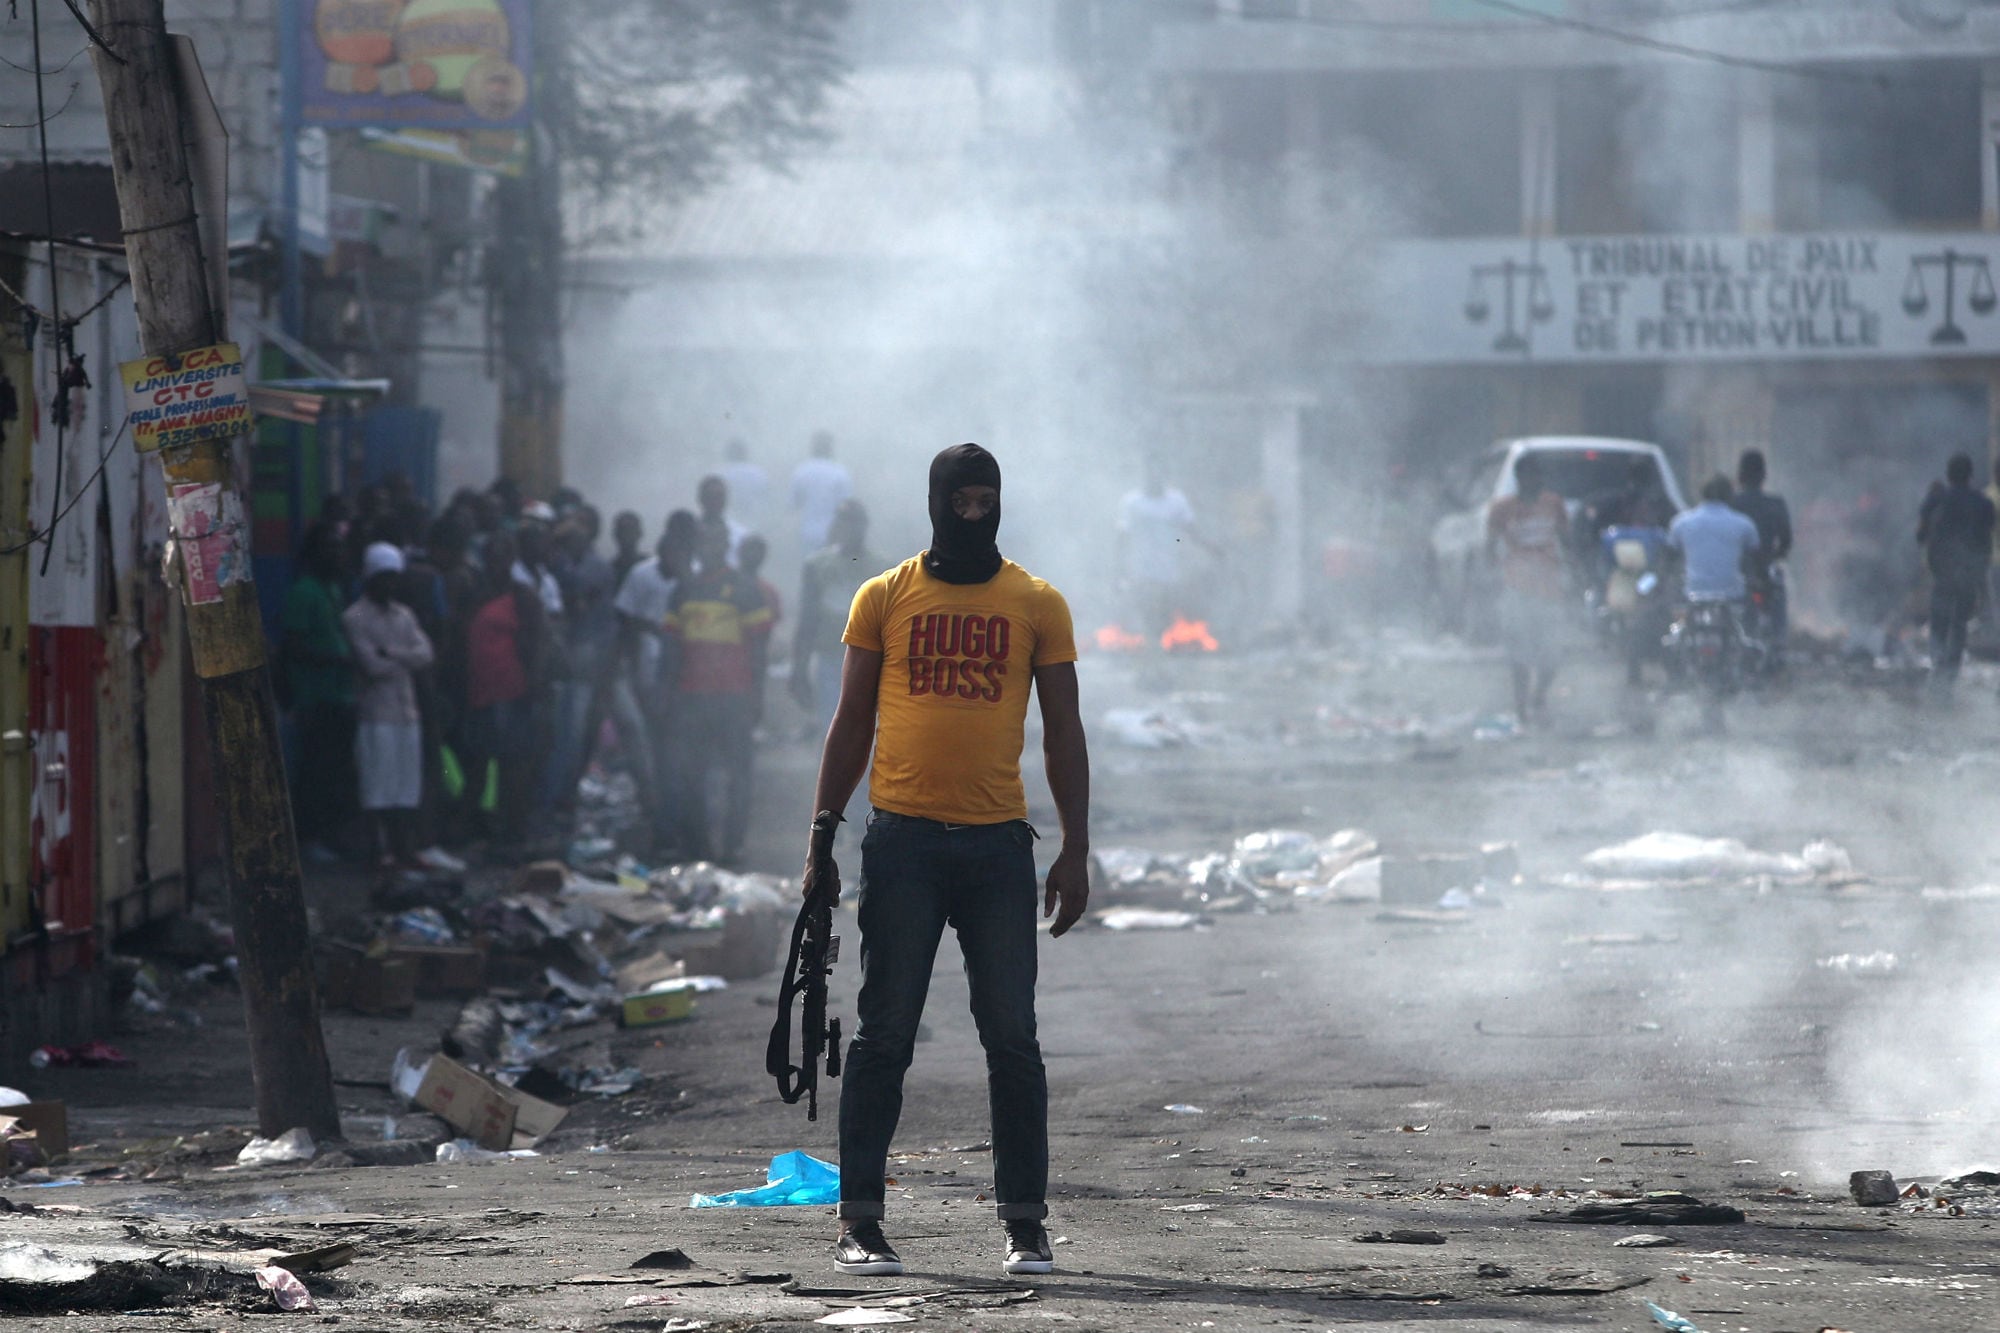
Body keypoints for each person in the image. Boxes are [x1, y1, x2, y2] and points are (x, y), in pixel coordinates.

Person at [804, 442, 1090, 1279]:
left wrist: (1075, 846)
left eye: (985, 503)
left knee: (1012, 1037)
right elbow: (851, 721)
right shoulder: (884, 596)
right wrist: (821, 834)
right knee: (884, 1033)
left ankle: (1025, 1226)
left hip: (999, 845)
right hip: (903, 844)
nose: (974, 517)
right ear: (935, 504)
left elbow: (1063, 730)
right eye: (960, 503)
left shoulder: (1036, 601)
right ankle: (860, 1222)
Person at [662, 523, 774, 863]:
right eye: (704, 540)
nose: (709, 547)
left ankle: (732, 846)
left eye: (716, 541)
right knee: (692, 773)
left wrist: (756, 695)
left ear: (726, 545)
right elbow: (672, 648)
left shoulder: (745, 589)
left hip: (734, 696)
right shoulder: (683, 589)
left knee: (737, 774)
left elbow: (758, 647)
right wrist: (667, 693)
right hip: (692, 697)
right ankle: (699, 846)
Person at [343, 543, 437, 869]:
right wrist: (404, 658)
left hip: (406, 712)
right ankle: (378, 851)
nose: (390, 585)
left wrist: (391, 653)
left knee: (405, 786)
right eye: (384, 578)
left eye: (394, 578)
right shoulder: (354, 617)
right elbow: (371, 666)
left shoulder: (404, 615)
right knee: (377, 786)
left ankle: (403, 849)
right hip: (376, 714)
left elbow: (426, 654)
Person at [615, 512, 700, 854]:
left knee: (678, 756)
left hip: (684, 682)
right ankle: (663, 823)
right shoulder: (642, 576)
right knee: (659, 754)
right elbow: (626, 625)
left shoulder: (692, 583)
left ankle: (675, 825)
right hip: (650, 677)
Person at [460, 530, 547, 848]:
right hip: (480, 691)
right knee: (479, 765)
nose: (496, 562)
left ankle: (513, 833)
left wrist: (533, 685)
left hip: (512, 691)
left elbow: (539, 642)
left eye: (502, 555)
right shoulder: (477, 594)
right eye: (491, 555)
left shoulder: (522, 596)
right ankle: (482, 828)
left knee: (513, 767)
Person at [283, 522, 357, 863]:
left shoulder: (333, 591)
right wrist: (337, 659)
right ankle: (309, 839)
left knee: (334, 771)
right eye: (332, 549)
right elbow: (293, 647)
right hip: (315, 697)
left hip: (339, 696)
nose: (340, 556)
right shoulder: (306, 592)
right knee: (314, 770)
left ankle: (329, 837)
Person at [1485, 454, 1572, 726]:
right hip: (1516, 589)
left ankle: (1539, 694)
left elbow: (1566, 541)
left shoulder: (1554, 504)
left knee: (1553, 656)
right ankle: (1521, 708)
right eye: (1530, 475)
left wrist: (1574, 573)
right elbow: (1488, 546)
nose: (1535, 480)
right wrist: (1493, 576)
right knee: (1519, 655)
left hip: (1550, 588)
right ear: (1520, 478)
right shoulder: (1502, 509)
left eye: (1539, 475)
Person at [793, 499, 880, 740]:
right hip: (830, 657)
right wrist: (799, 667)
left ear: (864, 526)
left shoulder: (884, 568)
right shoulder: (817, 565)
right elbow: (808, 617)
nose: (850, 528)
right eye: (844, 521)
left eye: (855, 522)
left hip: (870, 660)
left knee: (868, 731)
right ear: (837, 525)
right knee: (832, 728)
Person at [1917, 453, 1997, 695]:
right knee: (1960, 622)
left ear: (1949, 474)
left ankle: (1938, 664)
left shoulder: (1936, 499)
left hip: (1942, 571)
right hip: (1969, 573)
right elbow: (1986, 542)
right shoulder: (1984, 503)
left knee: (1939, 621)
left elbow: (1920, 535)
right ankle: (1950, 671)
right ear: (1971, 475)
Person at [1117, 462, 1213, 640]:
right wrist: (1119, 565)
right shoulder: (1132, 502)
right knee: (1146, 603)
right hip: (1141, 565)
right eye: (1150, 476)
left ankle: (1162, 639)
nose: (1154, 480)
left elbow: (1190, 528)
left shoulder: (1176, 501)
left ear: (1164, 478)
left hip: (1169, 564)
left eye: (1158, 476)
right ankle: (1149, 640)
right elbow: (1123, 535)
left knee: (1165, 604)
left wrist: (1209, 547)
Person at [1729, 449, 1793, 662]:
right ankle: (1778, 641)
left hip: (1739, 569)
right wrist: (1775, 556)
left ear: (1740, 476)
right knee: (1778, 590)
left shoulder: (1731, 503)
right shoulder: (1776, 504)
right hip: (1766, 568)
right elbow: (1786, 540)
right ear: (1764, 476)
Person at [1669, 475, 1761, 604]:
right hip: (1731, 592)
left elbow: (1672, 554)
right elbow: (1753, 553)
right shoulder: (1744, 524)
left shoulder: (1681, 522)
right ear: (1729, 495)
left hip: (1693, 590)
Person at [736, 533, 782, 727]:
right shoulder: (726, 584)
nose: (753, 556)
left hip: (754, 660)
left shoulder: (768, 591)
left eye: (758, 551)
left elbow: (768, 632)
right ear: (739, 552)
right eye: (749, 550)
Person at [791, 430, 854, 554]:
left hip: (807, 532)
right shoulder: (840, 472)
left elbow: (794, 504)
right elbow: (847, 506)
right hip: (834, 533)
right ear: (830, 447)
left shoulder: (801, 471)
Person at [695, 474, 751, 567]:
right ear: (700, 498)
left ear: (726, 500)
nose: (715, 501)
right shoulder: (686, 532)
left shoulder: (741, 535)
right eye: (710, 496)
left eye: (719, 496)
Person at [721, 438, 771, 533]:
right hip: (754, 525)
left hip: (726, 527)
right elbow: (767, 500)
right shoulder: (759, 474)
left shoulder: (720, 473)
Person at [609, 510, 646, 587]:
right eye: (623, 530)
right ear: (616, 535)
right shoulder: (607, 571)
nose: (627, 536)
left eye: (631, 530)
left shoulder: (652, 569)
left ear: (639, 533)